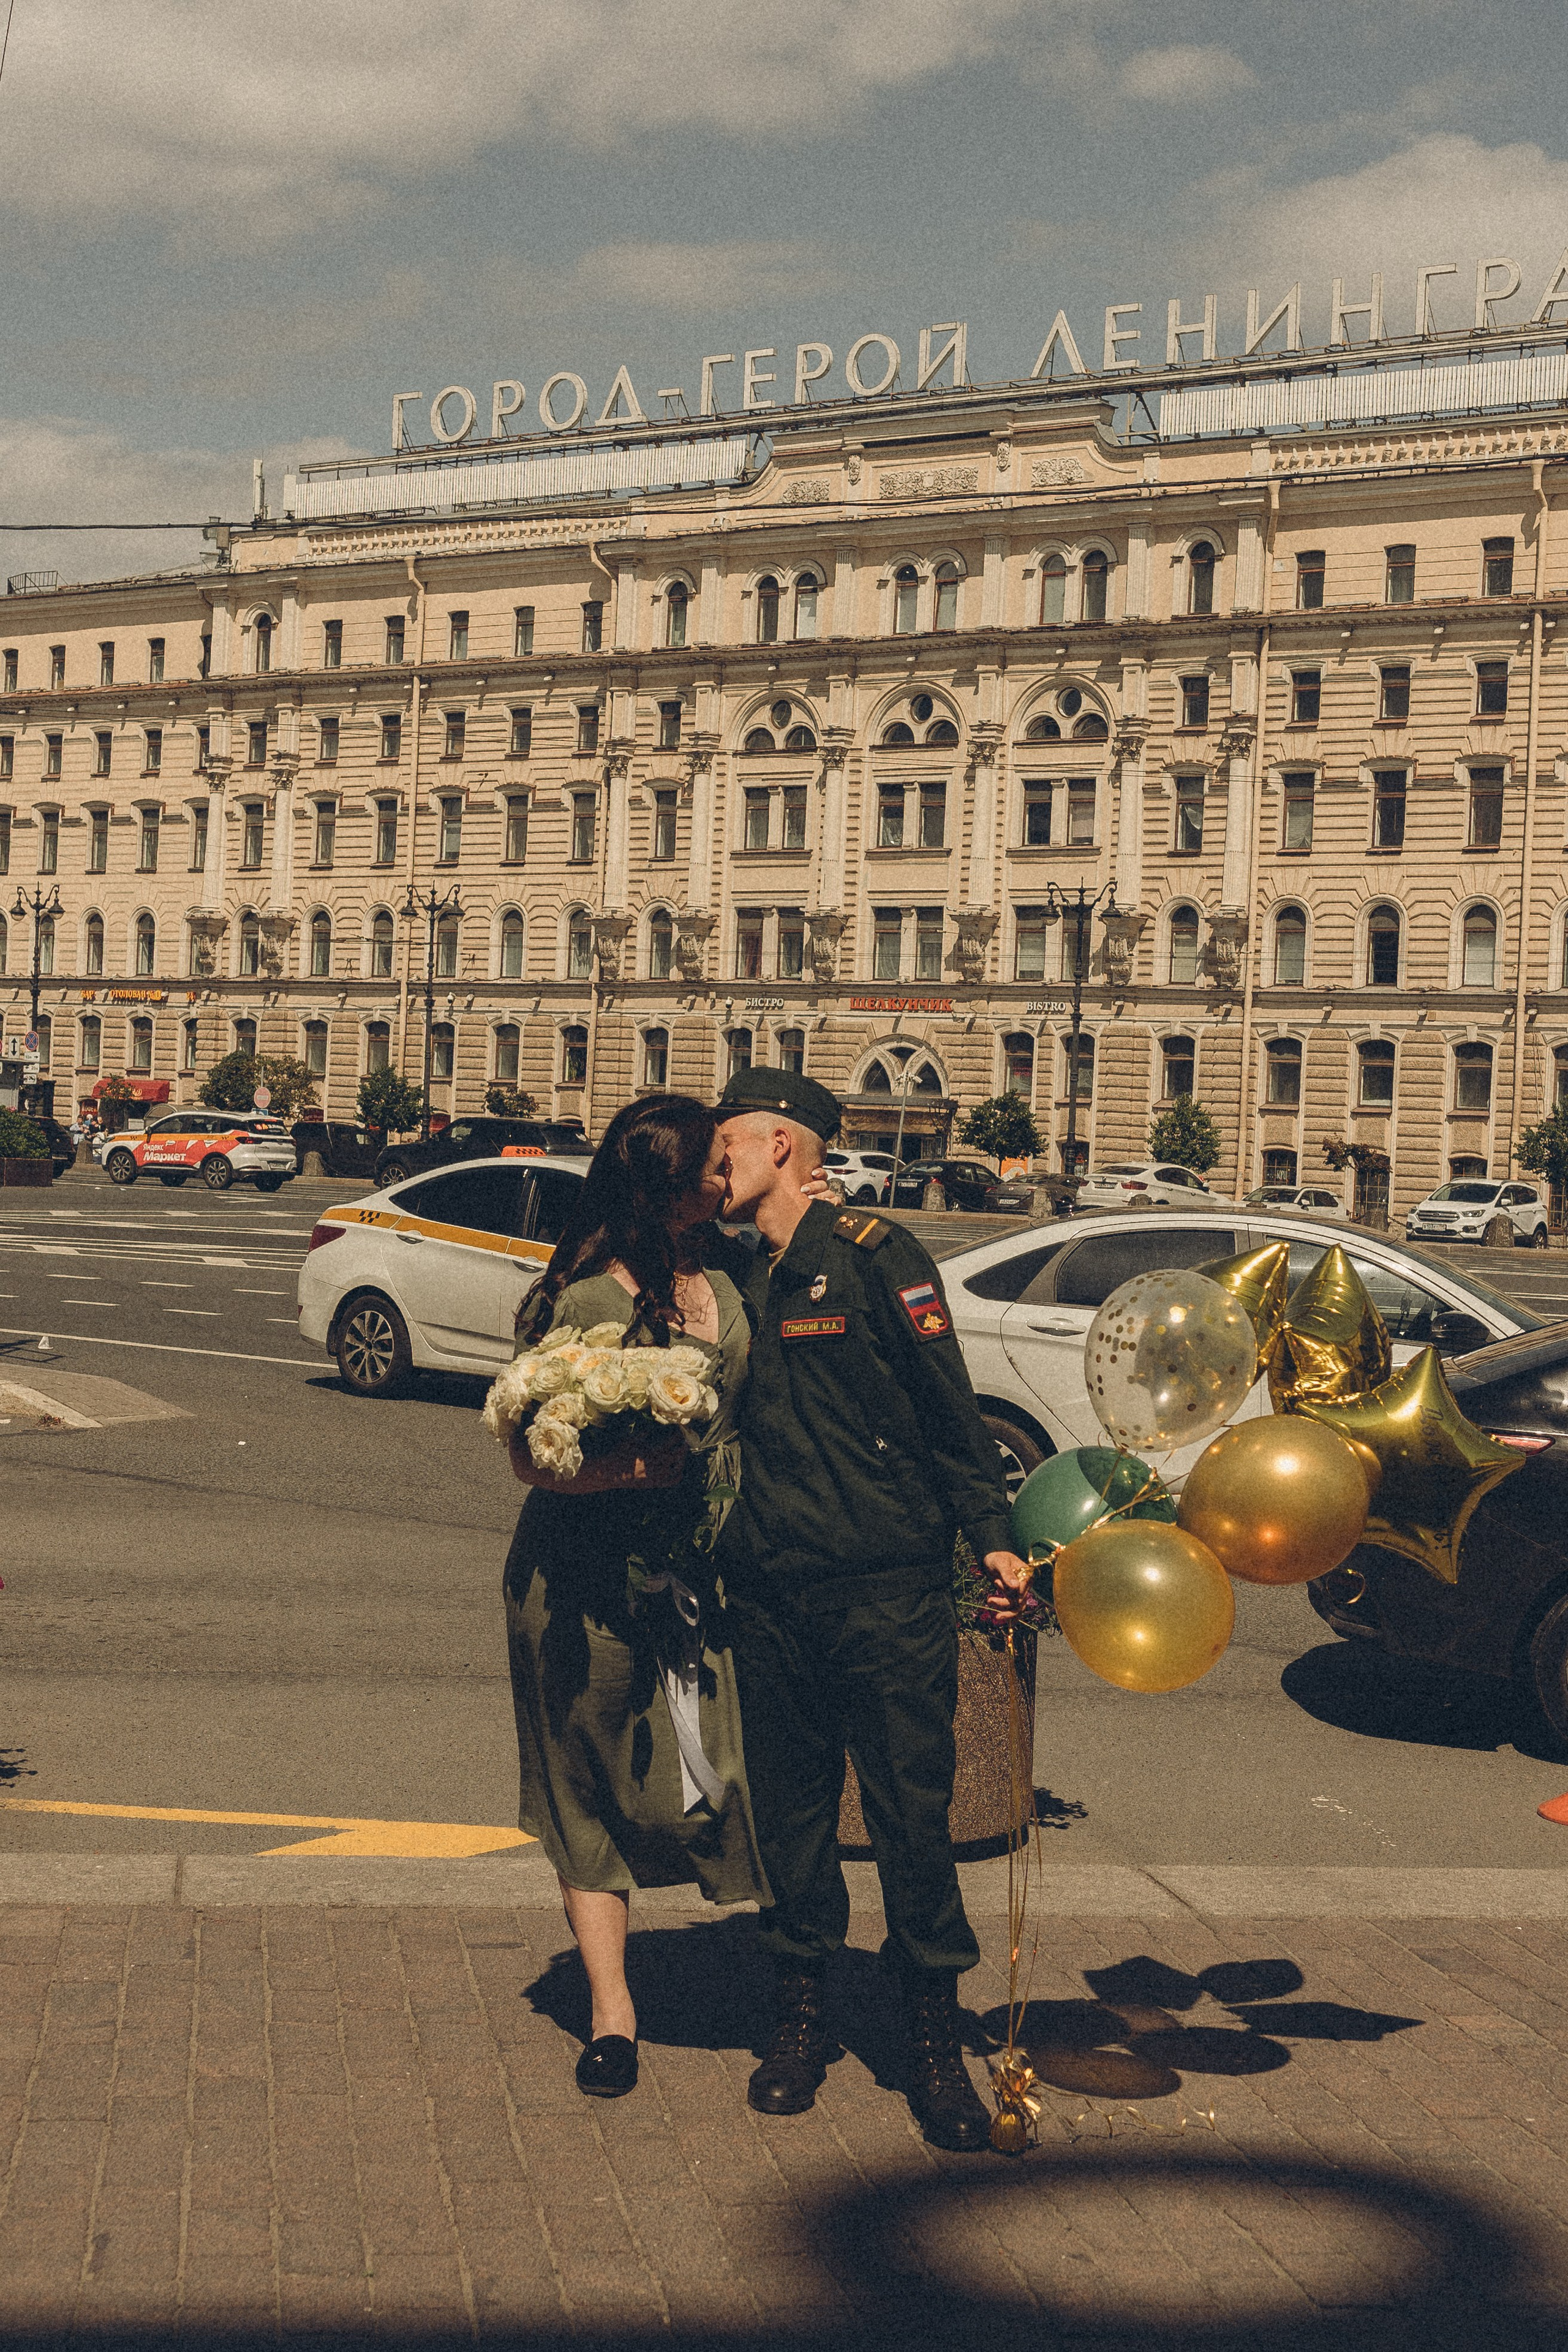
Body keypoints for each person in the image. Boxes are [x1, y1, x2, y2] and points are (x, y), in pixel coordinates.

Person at [715, 1066, 1031, 2154]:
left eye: (731, 1149)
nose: (719, 1169)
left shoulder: (873, 1256)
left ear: (785, 1149)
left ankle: (932, 2043)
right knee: (792, 1820)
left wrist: (992, 1535)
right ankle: (799, 2020)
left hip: (885, 1590)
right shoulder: (724, 1271)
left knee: (911, 1816)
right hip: (767, 1592)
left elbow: (950, 1411)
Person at [501, 1095, 769, 2101]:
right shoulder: (583, 1303)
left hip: (701, 1568)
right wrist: (629, 1475)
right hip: (579, 1580)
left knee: (719, 1769)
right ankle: (613, 2011)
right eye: (710, 1167)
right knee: (581, 1779)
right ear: (667, 1187)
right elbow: (532, 1455)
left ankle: (759, 1950)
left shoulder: (729, 1269)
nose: (725, 1178)